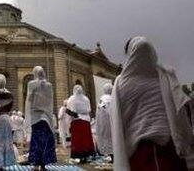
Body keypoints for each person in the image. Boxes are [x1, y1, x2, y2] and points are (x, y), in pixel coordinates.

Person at [111, 36, 194, 171]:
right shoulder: (166, 76)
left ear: (130, 54)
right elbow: (180, 112)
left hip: (138, 149)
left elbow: (118, 118)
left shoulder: (121, 83)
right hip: (169, 146)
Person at [25, 66, 57, 170]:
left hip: (35, 116)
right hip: (46, 117)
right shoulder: (49, 85)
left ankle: (35, 164)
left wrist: (28, 115)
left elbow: (29, 100)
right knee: (45, 141)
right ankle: (43, 165)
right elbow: (50, 101)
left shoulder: (31, 84)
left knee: (36, 140)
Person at [66, 84, 95, 162]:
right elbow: (89, 109)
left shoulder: (71, 99)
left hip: (76, 121)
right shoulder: (86, 99)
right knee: (86, 138)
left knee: (78, 139)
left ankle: (79, 156)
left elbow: (68, 111)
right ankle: (86, 156)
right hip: (85, 120)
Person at [95, 83, 113, 160]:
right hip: (111, 120)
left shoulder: (103, 99)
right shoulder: (111, 98)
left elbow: (103, 108)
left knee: (107, 138)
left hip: (105, 121)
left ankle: (111, 155)